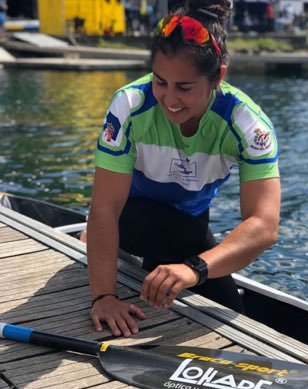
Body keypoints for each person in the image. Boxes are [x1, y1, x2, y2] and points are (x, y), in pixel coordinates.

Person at [87, 0, 281, 338]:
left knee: (196, 251)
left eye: (185, 87)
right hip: (130, 219)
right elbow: (104, 208)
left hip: (190, 226)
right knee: (186, 241)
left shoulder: (247, 124)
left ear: (218, 76)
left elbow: (264, 225)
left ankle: (169, 269)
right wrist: (104, 296)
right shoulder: (129, 105)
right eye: (160, 82)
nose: (169, 98)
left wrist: (196, 270)